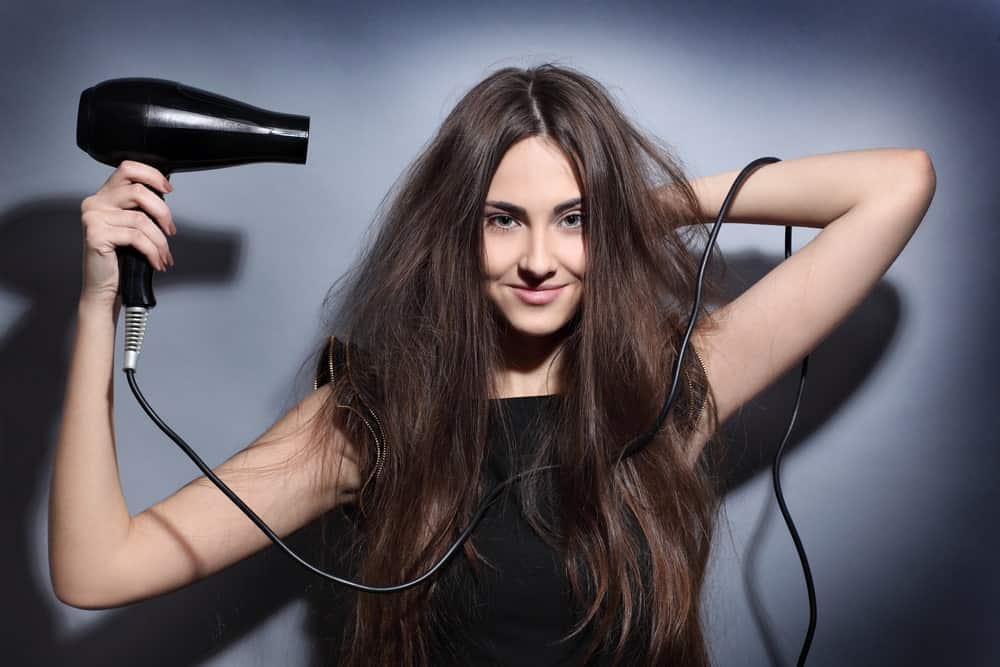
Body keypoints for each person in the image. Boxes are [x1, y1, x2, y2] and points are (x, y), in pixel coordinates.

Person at [49, 63, 936, 666]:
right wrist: (98, 306)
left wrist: (632, 210)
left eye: (572, 219)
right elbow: (97, 568)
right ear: (456, 232)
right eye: (504, 218)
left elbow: (898, 182)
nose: (540, 258)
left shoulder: (667, 390)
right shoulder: (368, 421)